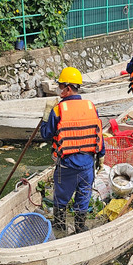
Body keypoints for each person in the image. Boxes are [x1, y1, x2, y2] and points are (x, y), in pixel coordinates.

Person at [40, 67, 105, 234]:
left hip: (67, 165)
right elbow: (98, 132)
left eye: (61, 86)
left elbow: (46, 134)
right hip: (88, 163)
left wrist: (46, 114)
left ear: (68, 88)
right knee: (83, 196)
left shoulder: (57, 109)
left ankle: (60, 228)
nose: (59, 89)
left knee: (61, 198)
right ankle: (80, 228)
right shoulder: (91, 106)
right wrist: (102, 155)